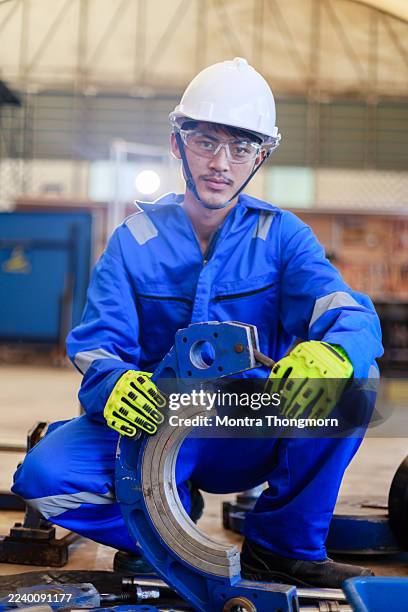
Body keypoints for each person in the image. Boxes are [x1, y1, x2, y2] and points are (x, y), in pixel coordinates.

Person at [13, 58, 383, 588]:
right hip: (153, 422)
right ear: (176, 144)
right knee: (44, 478)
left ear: (261, 156)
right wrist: (114, 385)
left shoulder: (282, 238)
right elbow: (97, 346)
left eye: (241, 148)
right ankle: (161, 520)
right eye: (207, 141)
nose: (221, 163)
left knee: (352, 384)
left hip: (253, 420)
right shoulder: (132, 243)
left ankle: (281, 546)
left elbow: (344, 309)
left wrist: (333, 351)